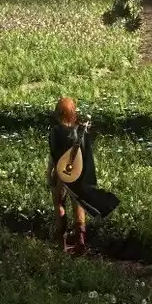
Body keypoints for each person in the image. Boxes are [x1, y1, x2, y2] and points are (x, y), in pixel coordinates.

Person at [48, 96, 118, 255]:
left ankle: (62, 244)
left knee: (59, 204)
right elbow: (86, 156)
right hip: (78, 174)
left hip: (61, 174)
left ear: (58, 113)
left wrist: (50, 174)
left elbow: (53, 156)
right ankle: (81, 242)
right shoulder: (81, 131)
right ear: (73, 112)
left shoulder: (55, 131)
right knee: (78, 204)